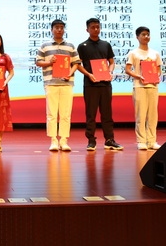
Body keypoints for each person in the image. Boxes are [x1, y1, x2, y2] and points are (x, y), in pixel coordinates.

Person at [77, 17, 124, 151]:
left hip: (105, 84)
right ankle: (91, 140)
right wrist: (89, 74)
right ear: (87, 29)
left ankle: (109, 140)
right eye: (93, 27)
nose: (96, 29)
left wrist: (110, 71)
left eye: (98, 27)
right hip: (90, 84)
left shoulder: (106, 44)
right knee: (91, 114)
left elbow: (111, 62)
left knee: (107, 114)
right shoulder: (82, 46)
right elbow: (78, 64)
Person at [35, 19, 81, 151]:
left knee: (66, 114)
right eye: (56, 27)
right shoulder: (45, 46)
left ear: (64, 30)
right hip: (51, 83)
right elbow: (38, 62)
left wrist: (70, 73)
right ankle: (53, 140)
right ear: (52, 30)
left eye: (61, 27)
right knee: (51, 114)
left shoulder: (70, 46)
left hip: (67, 83)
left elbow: (76, 63)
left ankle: (64, 140)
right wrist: (49, 62)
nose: (59, 30)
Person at [125, 26, 162, 150]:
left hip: (153, 86)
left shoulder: (155, 53)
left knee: (153, 115)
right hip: (139, 86)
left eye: (148, 34)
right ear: (137, 37)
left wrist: (156, 76)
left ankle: (152, 141)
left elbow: (158, 70)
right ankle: (141, 141)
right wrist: (139, 76)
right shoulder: (133, 53)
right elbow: (128, 70)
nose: (146, 37)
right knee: (140, 115)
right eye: (143, 34)